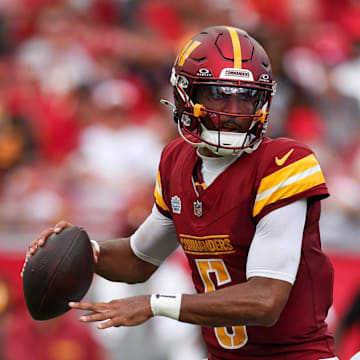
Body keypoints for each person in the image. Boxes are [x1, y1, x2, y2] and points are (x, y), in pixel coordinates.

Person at [23, 26, 338, 360]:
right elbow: (138, 259)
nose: (234, 110)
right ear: (186, 95)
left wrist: (155, 304)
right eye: (219, 93)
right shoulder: (176, 161)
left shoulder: (284, 163)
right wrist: (87, 251)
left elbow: (265, 300)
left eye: (246, 95)